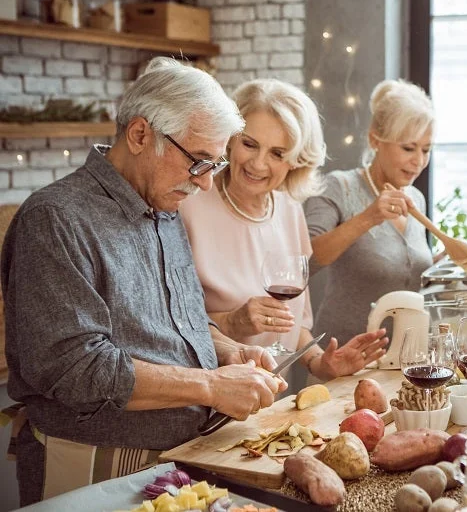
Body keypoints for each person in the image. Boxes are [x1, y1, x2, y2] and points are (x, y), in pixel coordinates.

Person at [1, 58, 287, 505]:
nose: (208, 184)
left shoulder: (164, 205)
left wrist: (228, 351)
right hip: (93, 460)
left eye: (216, 164)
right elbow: (79, 370)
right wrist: (212, 386)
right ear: (140, 135)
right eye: (199, 162)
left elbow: (182, 321)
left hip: (176, 456)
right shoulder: (55, 218)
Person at [180, 79, 388, 383]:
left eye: (277, 153)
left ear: (295, 162)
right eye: (249, 144)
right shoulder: (188, 206)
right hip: (208, 403)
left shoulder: (289, 209)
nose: (258, 164)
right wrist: (233, 323)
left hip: (271, 403)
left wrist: (322, 363)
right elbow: (166, 327)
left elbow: (295, 325)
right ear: (230, 140)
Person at [304, 79, 435, 344]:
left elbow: (405, 275)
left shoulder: (415, 199)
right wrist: (368, 218)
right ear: (375, 140)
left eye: (426, 150)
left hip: (404, 359)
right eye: (408, 148)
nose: (418, 161)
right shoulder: (338, 187)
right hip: (343, 359)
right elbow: (307, 261)